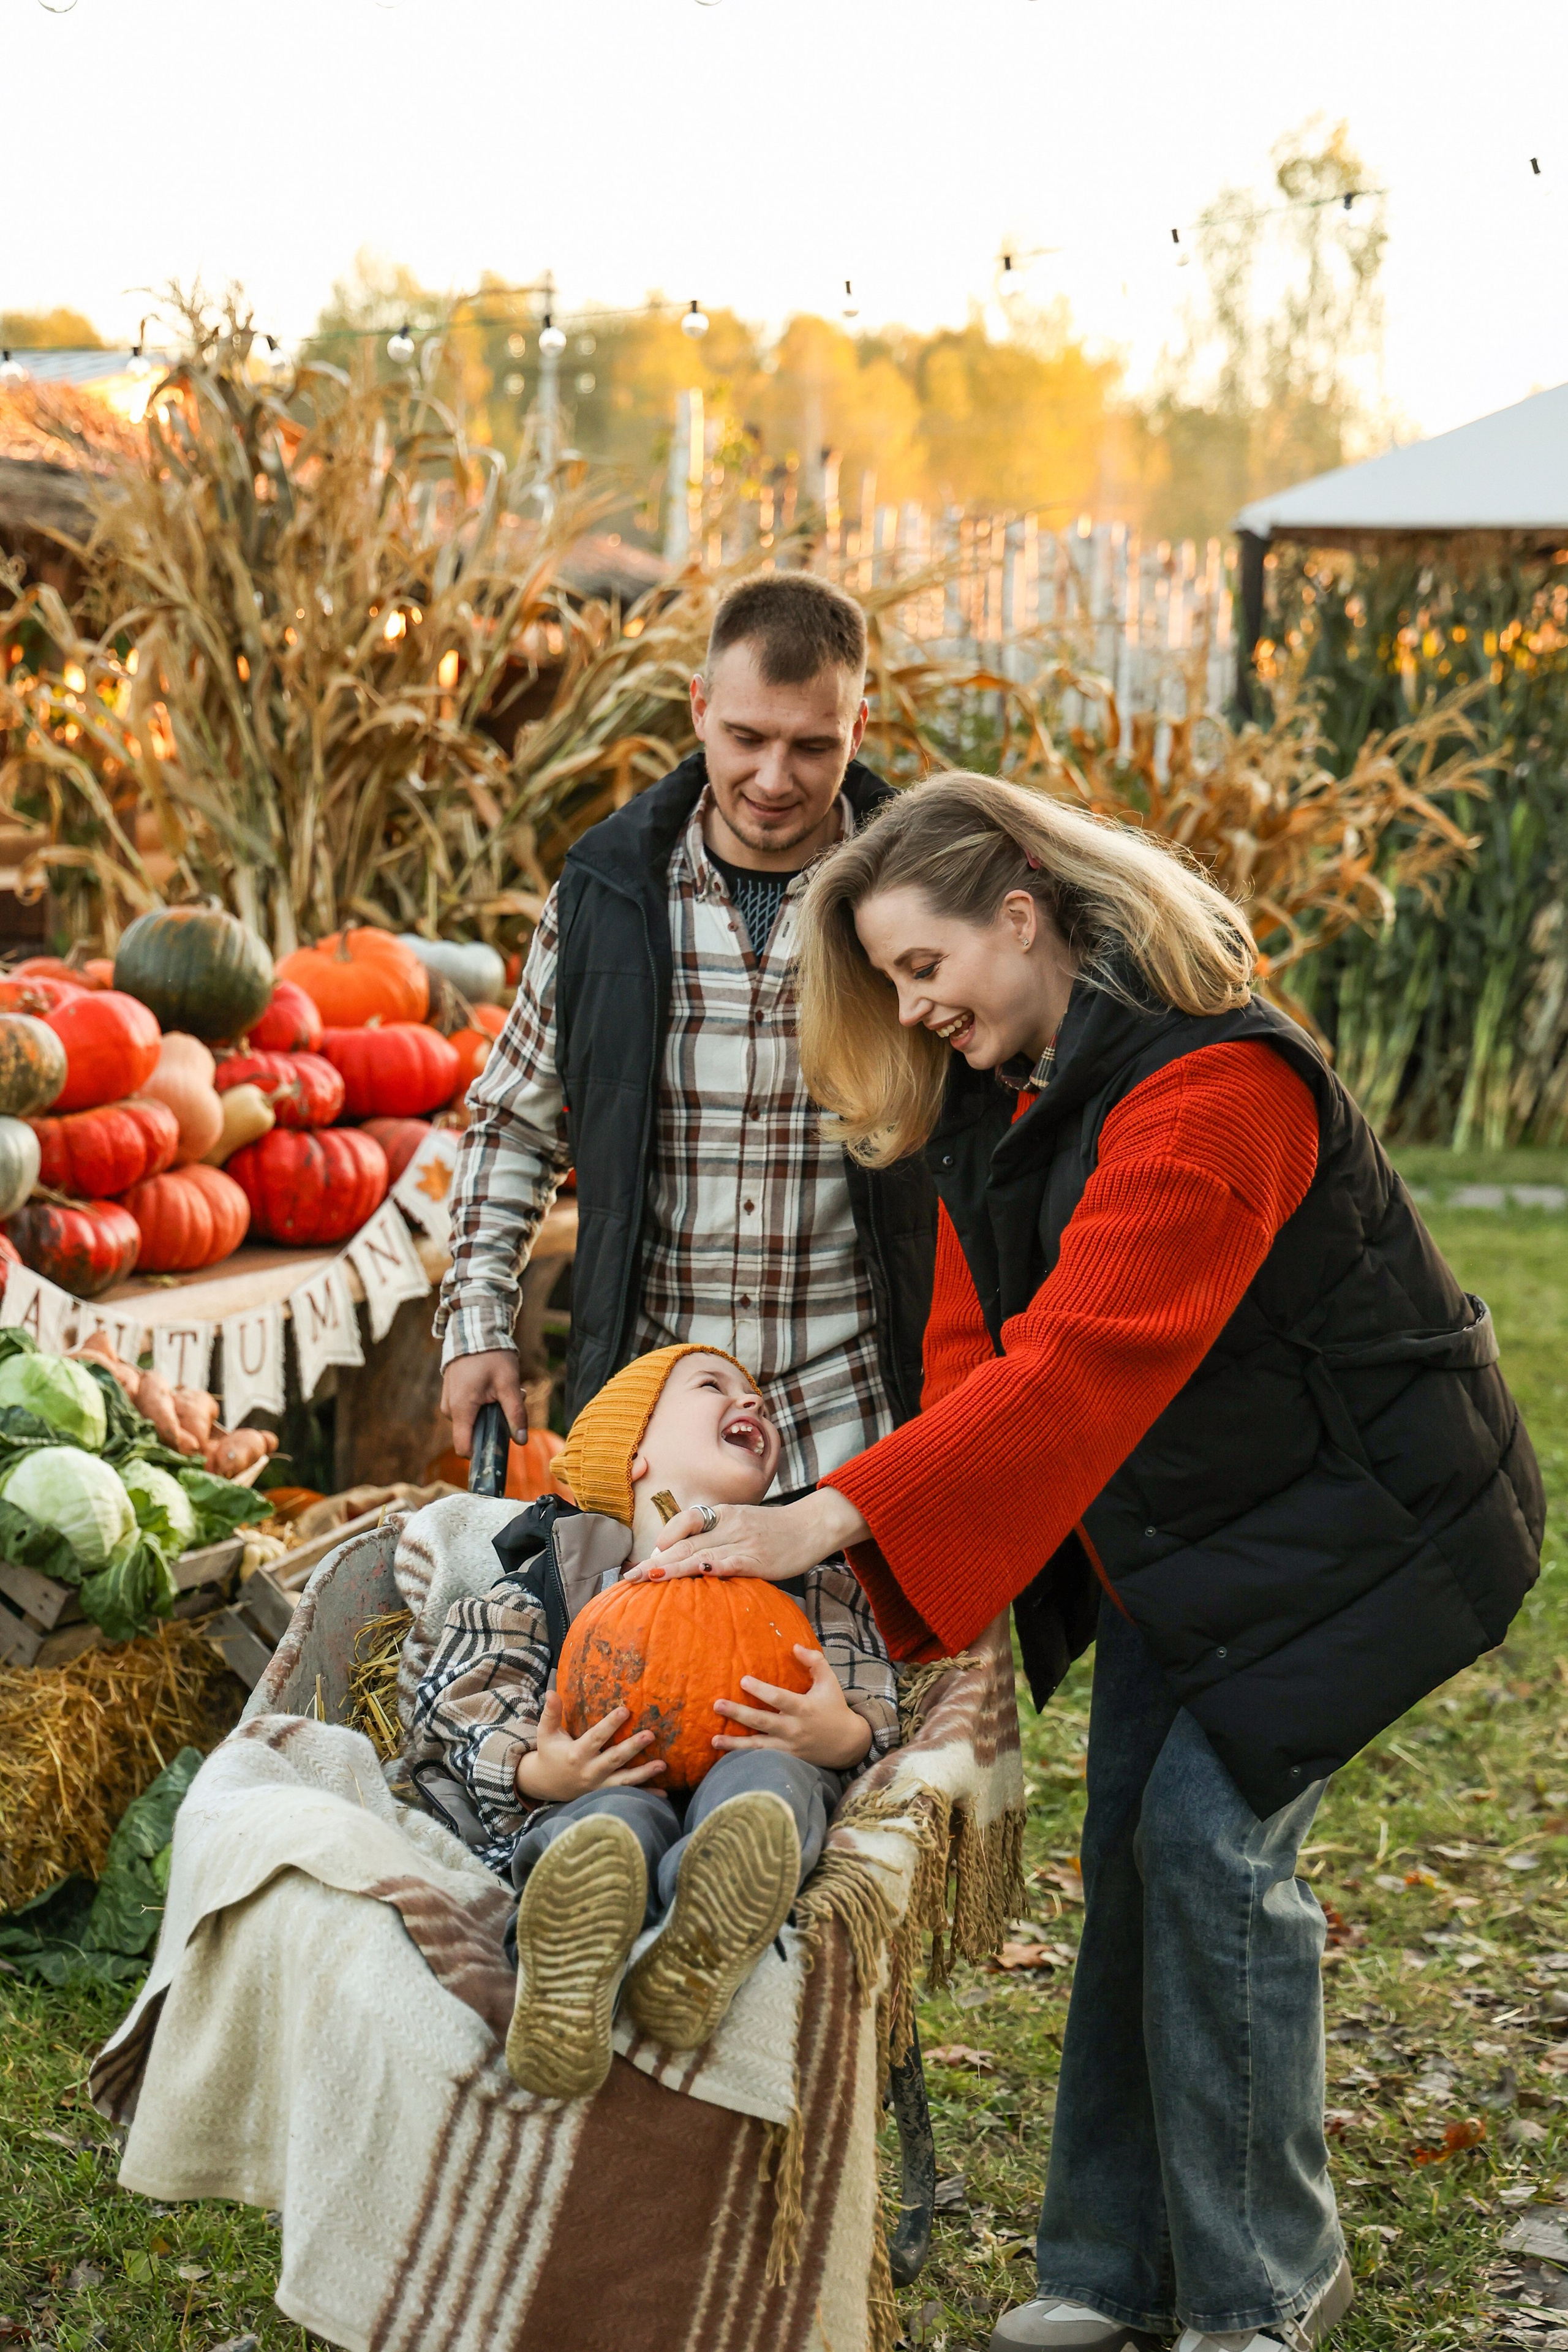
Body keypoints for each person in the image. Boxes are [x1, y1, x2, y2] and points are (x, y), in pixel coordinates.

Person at [635, 773, 1544, 2352]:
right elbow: (973, 1346)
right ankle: (1109, 2268)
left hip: (1365, 1526)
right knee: (1127, 1846)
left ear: (1019, 912)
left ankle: (1265, 2280)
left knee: (1201, 1847)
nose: (915, 1011)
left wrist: (814, 1517)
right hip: (1194, 1535)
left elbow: (1071, 1366)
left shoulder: (1215, 1090)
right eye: (892, 986)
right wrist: (949, 1599)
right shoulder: (1008, 1088)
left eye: (925, 968)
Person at [434, 571, 935, 1498]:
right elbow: (515, 1122)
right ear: (699, 708)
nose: (774, 780)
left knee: (841, 1655)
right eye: (747, 738)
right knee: (653, 1648)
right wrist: (480, 1325)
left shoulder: (923, 896)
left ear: (858, 730)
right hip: (656, 1431)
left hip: (859, 1418)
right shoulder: (606, 897)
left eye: (812, 746)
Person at [407, 1343, 899, 2101]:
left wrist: (841, 1736)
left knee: (771, 1790)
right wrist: (539, 1770)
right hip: (607, 1781)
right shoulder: (559, 1575)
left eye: (759, 1396)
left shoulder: (805, 1570)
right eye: (714, 1387)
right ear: (633, 1454)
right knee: (602, 1826)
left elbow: (868, 1683)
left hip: (754, 1758)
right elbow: (468, 1690)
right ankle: (567, 1968)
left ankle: (699, 1943)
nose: (753, 1402)